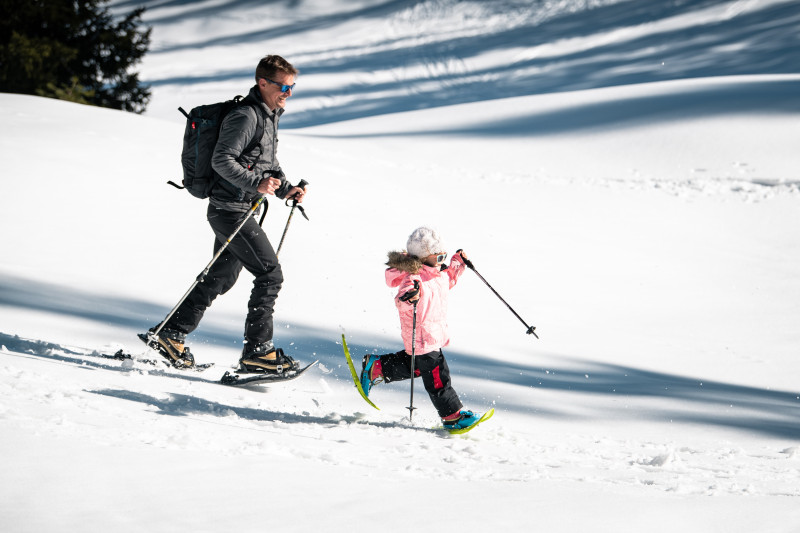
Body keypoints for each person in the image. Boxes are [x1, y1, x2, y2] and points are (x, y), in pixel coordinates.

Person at [145, 54, 306, 374]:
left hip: (239, 208)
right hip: (229, 209)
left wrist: (285, 187)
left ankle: (171, 334)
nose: (288, 94)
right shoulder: (246, 115)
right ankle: (257, 352)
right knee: (270, 274)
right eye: (283, 88)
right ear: (263, 83)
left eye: (292, 88)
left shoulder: (270, 115)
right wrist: (256, 184)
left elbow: (266, 164)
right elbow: (222, 160)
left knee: (221, 276)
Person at [360, 227, 480, 430]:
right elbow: (401, 300)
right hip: (421, 336)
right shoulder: (414, 278)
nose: (442, 260)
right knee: (437, 376)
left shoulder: (438, 274)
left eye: (444, 255)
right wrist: (410, 297)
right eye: (439, 256)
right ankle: (453, 416)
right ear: (423, 257)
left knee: (417, 367)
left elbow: (449, 277)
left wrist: (458, 262)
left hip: (433, 335)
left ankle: (377, 367)